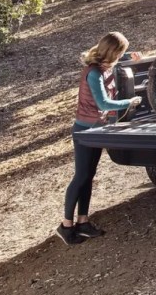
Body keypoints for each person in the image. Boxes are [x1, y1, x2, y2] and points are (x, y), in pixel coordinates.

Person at [57, 32, 142, 245]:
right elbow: (103, 104)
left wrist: (132, 57)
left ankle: (83, 222)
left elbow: (119, 61)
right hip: (84, 130)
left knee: (89, 175)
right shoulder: (93, 73)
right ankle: (66, 225)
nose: (120, 56)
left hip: (97, 129)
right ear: (113, 51)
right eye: (120, 52)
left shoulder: (105, 64)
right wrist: (129, 102)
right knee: (81, 176)